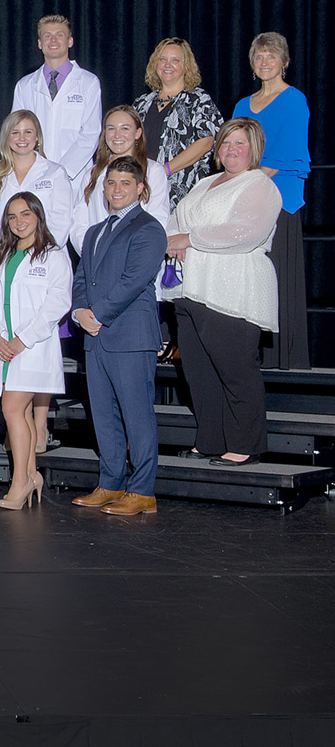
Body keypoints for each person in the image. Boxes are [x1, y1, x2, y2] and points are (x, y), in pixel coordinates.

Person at [165, 119, 282, 466]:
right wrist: (176, 238)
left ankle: (246, 444)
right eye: (226, 143)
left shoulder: (259, 185)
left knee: (235, 371)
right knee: (199, 374)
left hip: (232, 290)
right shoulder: (203, 183)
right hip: (191, 288)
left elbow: (245, 231)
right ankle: (210, 440)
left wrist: (190, 238)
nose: (231, 150)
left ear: (254, 149)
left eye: (240, 144)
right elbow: (176, 220)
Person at [71, 156, 167, 515]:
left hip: (129, 335)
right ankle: (111, 483)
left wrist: (98, 314)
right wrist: (80, 313)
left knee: (136, 414)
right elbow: (82, 279)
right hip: (95, 335)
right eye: (111, 183)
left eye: (125, 183)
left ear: (141, 188)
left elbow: (134, 281)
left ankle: (142, 491)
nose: (117, 189)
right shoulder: (95, 232)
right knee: (103, 415)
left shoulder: (149, 228)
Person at [0, 193, 72, 510]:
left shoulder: (54, 256)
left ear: (38, 216)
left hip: (32, 348)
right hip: (4, 348)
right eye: (12, 216)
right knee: (20, 413)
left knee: (12, 410)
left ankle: (20, 481)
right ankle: (32, 475)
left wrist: (22, 339)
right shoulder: (1, 255)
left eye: (25, 214)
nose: (19, 222)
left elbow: (57, 304)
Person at [233, 32, 310, 370]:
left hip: (279, 200)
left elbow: (285, 152)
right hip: (247, 199)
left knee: (279, 281)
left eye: (271, 56)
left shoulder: (294, 100)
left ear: (285, 62)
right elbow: (233, 149)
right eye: (259, 57)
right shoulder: (241, 105)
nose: (265, 62)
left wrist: (246, 182)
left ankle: (286, 363)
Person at [10, 15, 102, 192]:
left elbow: (90, 133)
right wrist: (38, 169)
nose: (53, 40)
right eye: (47, 36)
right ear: (39, 43)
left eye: (59, 35)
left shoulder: (88, 82)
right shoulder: (25, 85)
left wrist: (60, 172)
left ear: (70, 41)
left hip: (74, 177)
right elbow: (17, 133)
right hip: (33, 174)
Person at [132, 37, 225, 211]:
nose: (168, 65)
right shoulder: (141, 103)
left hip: (182, 195)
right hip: (142, 190)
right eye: (163, 59)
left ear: (186, 66)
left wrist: (164, 171)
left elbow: (206, 142)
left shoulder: (199, 100)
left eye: (175, 60)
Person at [68, 106, 171, 254]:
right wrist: (92, 253)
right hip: (96, 260)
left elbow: (158, 220)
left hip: (136, 260)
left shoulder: (153, 171)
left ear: (138, 133)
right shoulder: (93, 174)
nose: (117, 135)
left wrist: (131, 257)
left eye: (125, 128)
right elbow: (79, 222)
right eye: (111, 129)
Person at [0, 110, 73, 250]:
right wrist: (2, 255)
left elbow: (61, 221)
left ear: (37, 136)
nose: (22, 138)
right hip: (2, 257)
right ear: (6, 137)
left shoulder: (55, 173)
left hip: (46, 257)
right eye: (15, 133)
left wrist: (39, 252)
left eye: (28, 132)